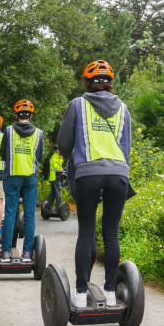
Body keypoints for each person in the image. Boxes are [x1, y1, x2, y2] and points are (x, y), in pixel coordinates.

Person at [57, 60, 132, 307]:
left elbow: (65, 145)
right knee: (111, 232)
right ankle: (111, 293)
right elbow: (126, 149)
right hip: (119, 174)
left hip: (88, 174)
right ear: (111, 83)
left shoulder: (77, 105)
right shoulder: (123, 108)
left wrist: (73, 158)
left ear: (87, 83)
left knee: (87, 231)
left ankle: (80, 294)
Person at [0, 99, 43, 262]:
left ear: (17, 115)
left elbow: (2, 154)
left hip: (12, 177)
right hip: (30, 177)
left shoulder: (9, 131)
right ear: (31, 115)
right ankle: (26, 253)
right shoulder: (39, 133)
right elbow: (39, 156)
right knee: (30, 214)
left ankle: (5, 252)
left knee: (10, 213)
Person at [45, 147, 64, 212]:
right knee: (58, 193)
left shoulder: (57, 157)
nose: (59, 151)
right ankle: (57, 208)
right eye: (58, 150)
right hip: (55, 177)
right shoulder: (54, 158)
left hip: (54, 178)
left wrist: (61, 159)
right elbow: (57, 167)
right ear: (56, 150)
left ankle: (48, 207)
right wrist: (61, 169)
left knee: (53, 193)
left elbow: (59, 165)